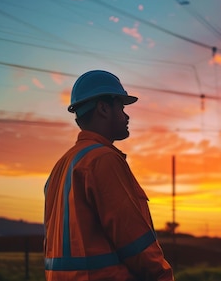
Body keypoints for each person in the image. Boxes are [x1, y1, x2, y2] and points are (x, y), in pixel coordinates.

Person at [44, 70, 174, 280]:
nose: (127, 115)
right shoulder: (102, 160)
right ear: (104, 108)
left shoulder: (61, 166)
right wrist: (162, 276)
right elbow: (133, 239)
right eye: (121, 108)